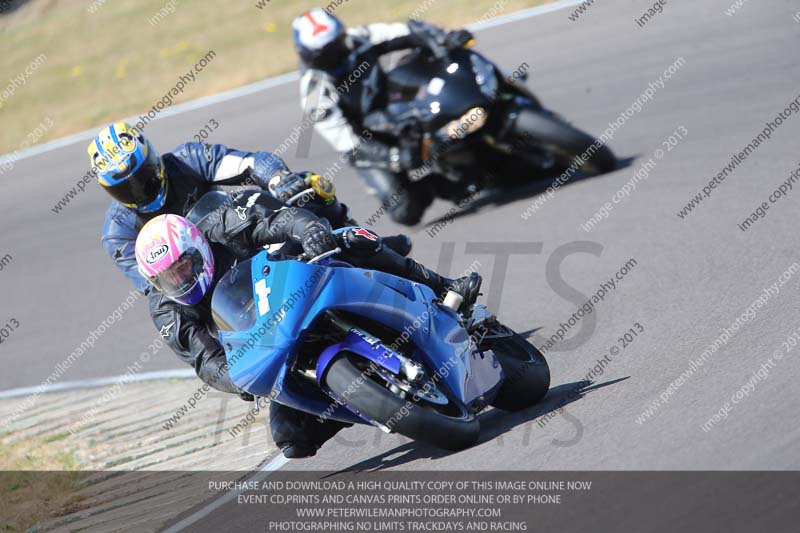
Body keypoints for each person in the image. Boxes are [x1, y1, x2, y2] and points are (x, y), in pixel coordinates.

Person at [134, 194, 481, 458]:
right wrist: (240, 379)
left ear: (197, 247)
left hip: (298, 284)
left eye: (184, 266)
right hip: (272, 343)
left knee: (354, 239)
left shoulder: (221, 227)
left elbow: (280, 221)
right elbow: (205, 362)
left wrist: (310, 230)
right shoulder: (166, 309)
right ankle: (359, 400)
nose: (181, 279)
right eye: (170, 277)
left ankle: (443, 286)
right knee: (291, 439)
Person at [90, 121, 409, 294]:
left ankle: (363, 242)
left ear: (154, 160)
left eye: (142, 177)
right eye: (122, 188)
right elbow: (156, 291)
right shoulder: (117, 235)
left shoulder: (185, 161)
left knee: (309, 185)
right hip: (204, 281)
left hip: (240, 230)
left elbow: (250, 162)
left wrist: (278, 178)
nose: (137, 191)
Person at [293, 9, 473, 225]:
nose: (337, 55)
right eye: (326, 54)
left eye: (337, 45)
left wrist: (443, 36)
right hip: (367, 143)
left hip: (394, 107)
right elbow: (349, 144)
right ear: (309, 55)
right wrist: (395, 157)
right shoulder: (314, 93)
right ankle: (438, 183)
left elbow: (407, 31)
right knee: (404, 211)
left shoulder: (359, 38)